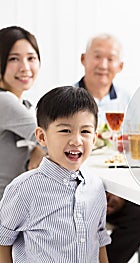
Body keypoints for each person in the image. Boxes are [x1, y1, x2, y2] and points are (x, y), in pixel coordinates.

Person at [0, 86, 110, 262]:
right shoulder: (23, 189)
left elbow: (100, 239)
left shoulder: (95, 186)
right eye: (65, 130)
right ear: (42, 137)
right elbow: (2, 242)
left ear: (94, 138)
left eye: (85, 132)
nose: (76, 140)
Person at [75, 33, 140, 263]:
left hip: (116, 189)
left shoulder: (128, 101)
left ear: (120, 66)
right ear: (83, 59)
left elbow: (139, 151)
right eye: (96, 56)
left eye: (110, 59)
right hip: (77, 188)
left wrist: (119, 192)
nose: (103, 65)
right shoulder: (67, 99)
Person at [0, 26, 46, 199]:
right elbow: (55, 140)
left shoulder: (25, 105)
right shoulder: (4, 101)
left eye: (31, 58)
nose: (25, 67)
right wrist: (43, 146)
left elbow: (47, 140)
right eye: (13, 59)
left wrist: (40, 148)